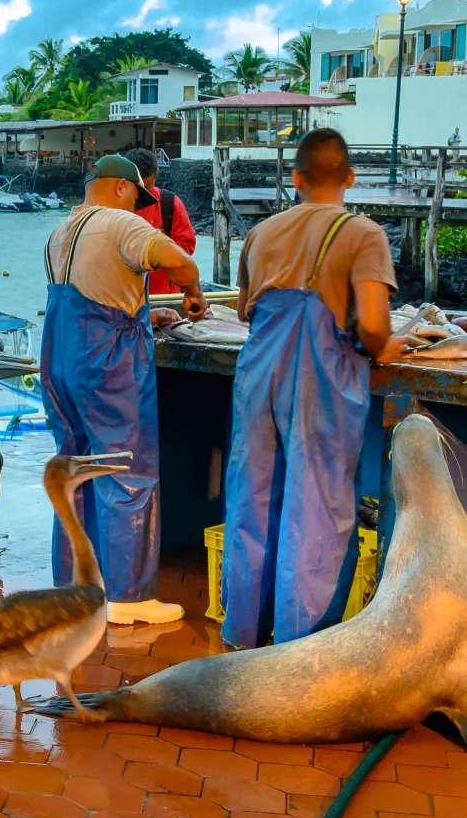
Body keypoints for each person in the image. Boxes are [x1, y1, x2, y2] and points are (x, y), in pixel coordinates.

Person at [221, 127, 407, 651]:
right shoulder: (362, 233)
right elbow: (375, 325)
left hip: (259, 371)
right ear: (350, 177)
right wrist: (386, 347)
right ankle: (301, 646)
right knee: (317, 504)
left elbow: (245, 311)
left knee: (252, 495)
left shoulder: (261, 233)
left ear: (296, 178)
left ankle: (243, 634)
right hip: (320, 375)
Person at [42, 154, 207, 625]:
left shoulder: (60, 232)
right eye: (137, 197)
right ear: (120, 188)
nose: (138, 208)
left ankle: (77, 585)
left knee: (75, 470)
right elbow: (179, 261)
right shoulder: (121, 223)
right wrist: (193, 292)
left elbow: (95, 293)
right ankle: (130, 599)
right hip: (107, 365)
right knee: (125, 469)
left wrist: (147, 313)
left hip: (60, 362)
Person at [126, 147, 197, 298]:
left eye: (148, 187)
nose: (143, 194)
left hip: (163, 295)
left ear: (155, 177)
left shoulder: (169, 203)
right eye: (138, 188)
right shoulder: (113, 207)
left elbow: (188, 245)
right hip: (123, 297)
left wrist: (157, 249)